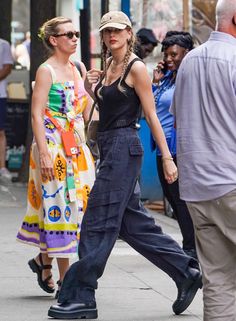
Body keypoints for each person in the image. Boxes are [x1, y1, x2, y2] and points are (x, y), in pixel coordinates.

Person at [48, 11, 202, 320]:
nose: (111, 36)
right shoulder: (108, 67)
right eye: (106, 32)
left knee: (96, 222)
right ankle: (185, 271)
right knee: (131, 224)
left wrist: (168, 159)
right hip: (109, 145)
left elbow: (151, 115)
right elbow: (108, 111)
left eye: (117, 31)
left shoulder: (136, 68)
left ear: (129, 33)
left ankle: (81, 293)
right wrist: (94, 88)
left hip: (125, 147)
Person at [16, 17, 95, 298]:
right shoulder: (46, 70)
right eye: (69, 34)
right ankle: (66, 281)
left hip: (77, 149)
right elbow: (36, 114)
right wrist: (45, 154)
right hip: (53, 148)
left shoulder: (78, 68)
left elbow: (86, 113)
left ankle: (43, 262)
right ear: (53, 40)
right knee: (60, 207)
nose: (75, 38)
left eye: (76, 34)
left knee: (75, 209)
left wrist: (94, 90)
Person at [170, 0, 236, 320]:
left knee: (218, 280)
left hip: (197, 185)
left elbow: (179, 119)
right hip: (231, 180)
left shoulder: (190, 61)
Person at [151, 31, 198, 262]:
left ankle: (191, 247)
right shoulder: (167, 78)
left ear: (186, 54)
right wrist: (156, 81)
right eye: (166, 54)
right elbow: (150, 107)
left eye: (173, 54)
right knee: (172, 198)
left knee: (181, 199)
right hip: (162, 149)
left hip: (179, 148)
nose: (168, 58)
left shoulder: (189, 77)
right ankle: (190, 243)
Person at [0, 37, 14, 180]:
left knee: (0, 131)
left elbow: (7, 67)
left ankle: (2, 166)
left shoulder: (3, 44)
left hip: (0, 94)